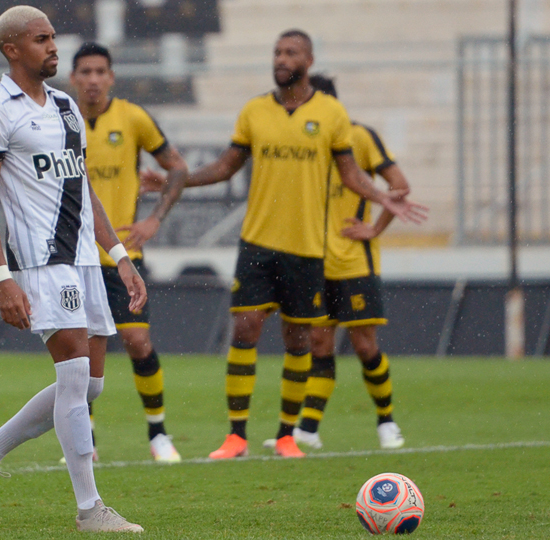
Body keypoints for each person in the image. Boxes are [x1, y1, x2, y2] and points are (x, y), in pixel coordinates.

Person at [144, 29, 426, 460]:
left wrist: (381, 197)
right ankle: (236, 436)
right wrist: (173, 180)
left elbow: (350, 174)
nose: (281, 58)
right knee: (246, 328)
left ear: (308, 60)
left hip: (307, 248)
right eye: (277, 52)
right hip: (258, 242)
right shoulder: (255, 111)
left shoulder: (331, 113)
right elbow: (224, 165)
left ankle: (288, 435)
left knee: (298, 341)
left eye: (290, 52)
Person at [0, 6, 145, 533]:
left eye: (53, 37)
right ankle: (90, 510)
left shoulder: (65, 105)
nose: (53, 47)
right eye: (41, 39)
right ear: (12, 49)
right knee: (75, 376)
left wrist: (120, 257)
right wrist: (2, 278)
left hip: (85, 259)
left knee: (91, 388)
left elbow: (84, 188)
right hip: (41, 262)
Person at [68, 42, 188, 463]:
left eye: (101, 71)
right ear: (73, 78)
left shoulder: (133, 118)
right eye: (85, 71)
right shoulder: (59, 119)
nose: (93, 79)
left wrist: (155, 219)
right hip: (72, 256)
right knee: (79, 350)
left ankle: (158, 433)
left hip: (120, 254)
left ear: (112, 77)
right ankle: (87, 440)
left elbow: (177, 166)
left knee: (136, 340)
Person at [283, 74, 408, 450]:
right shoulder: (301, 141)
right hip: (314, 260)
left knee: (365, 345)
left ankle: (386, 421)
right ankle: (308, 428)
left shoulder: (360, 137)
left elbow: (400, 186)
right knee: (320, 343)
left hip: (354, 261)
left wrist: (374, 229)